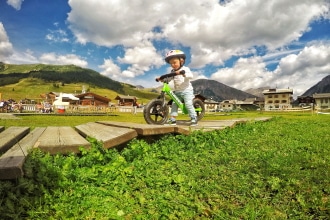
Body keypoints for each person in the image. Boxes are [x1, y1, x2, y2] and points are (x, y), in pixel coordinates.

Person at [157, 49, 197, 126]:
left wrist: (184, 74)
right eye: (171, 63)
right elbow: (170, 78)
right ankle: (173, 119)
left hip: (187, 91)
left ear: (181, 61)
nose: (173, 65)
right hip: (178, 92)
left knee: (188, 104)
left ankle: (194, 118)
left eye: (174, 62)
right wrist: (162, 79)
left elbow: (191, 76)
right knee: (174, 104)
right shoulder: (173, 72)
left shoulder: (185, 69)